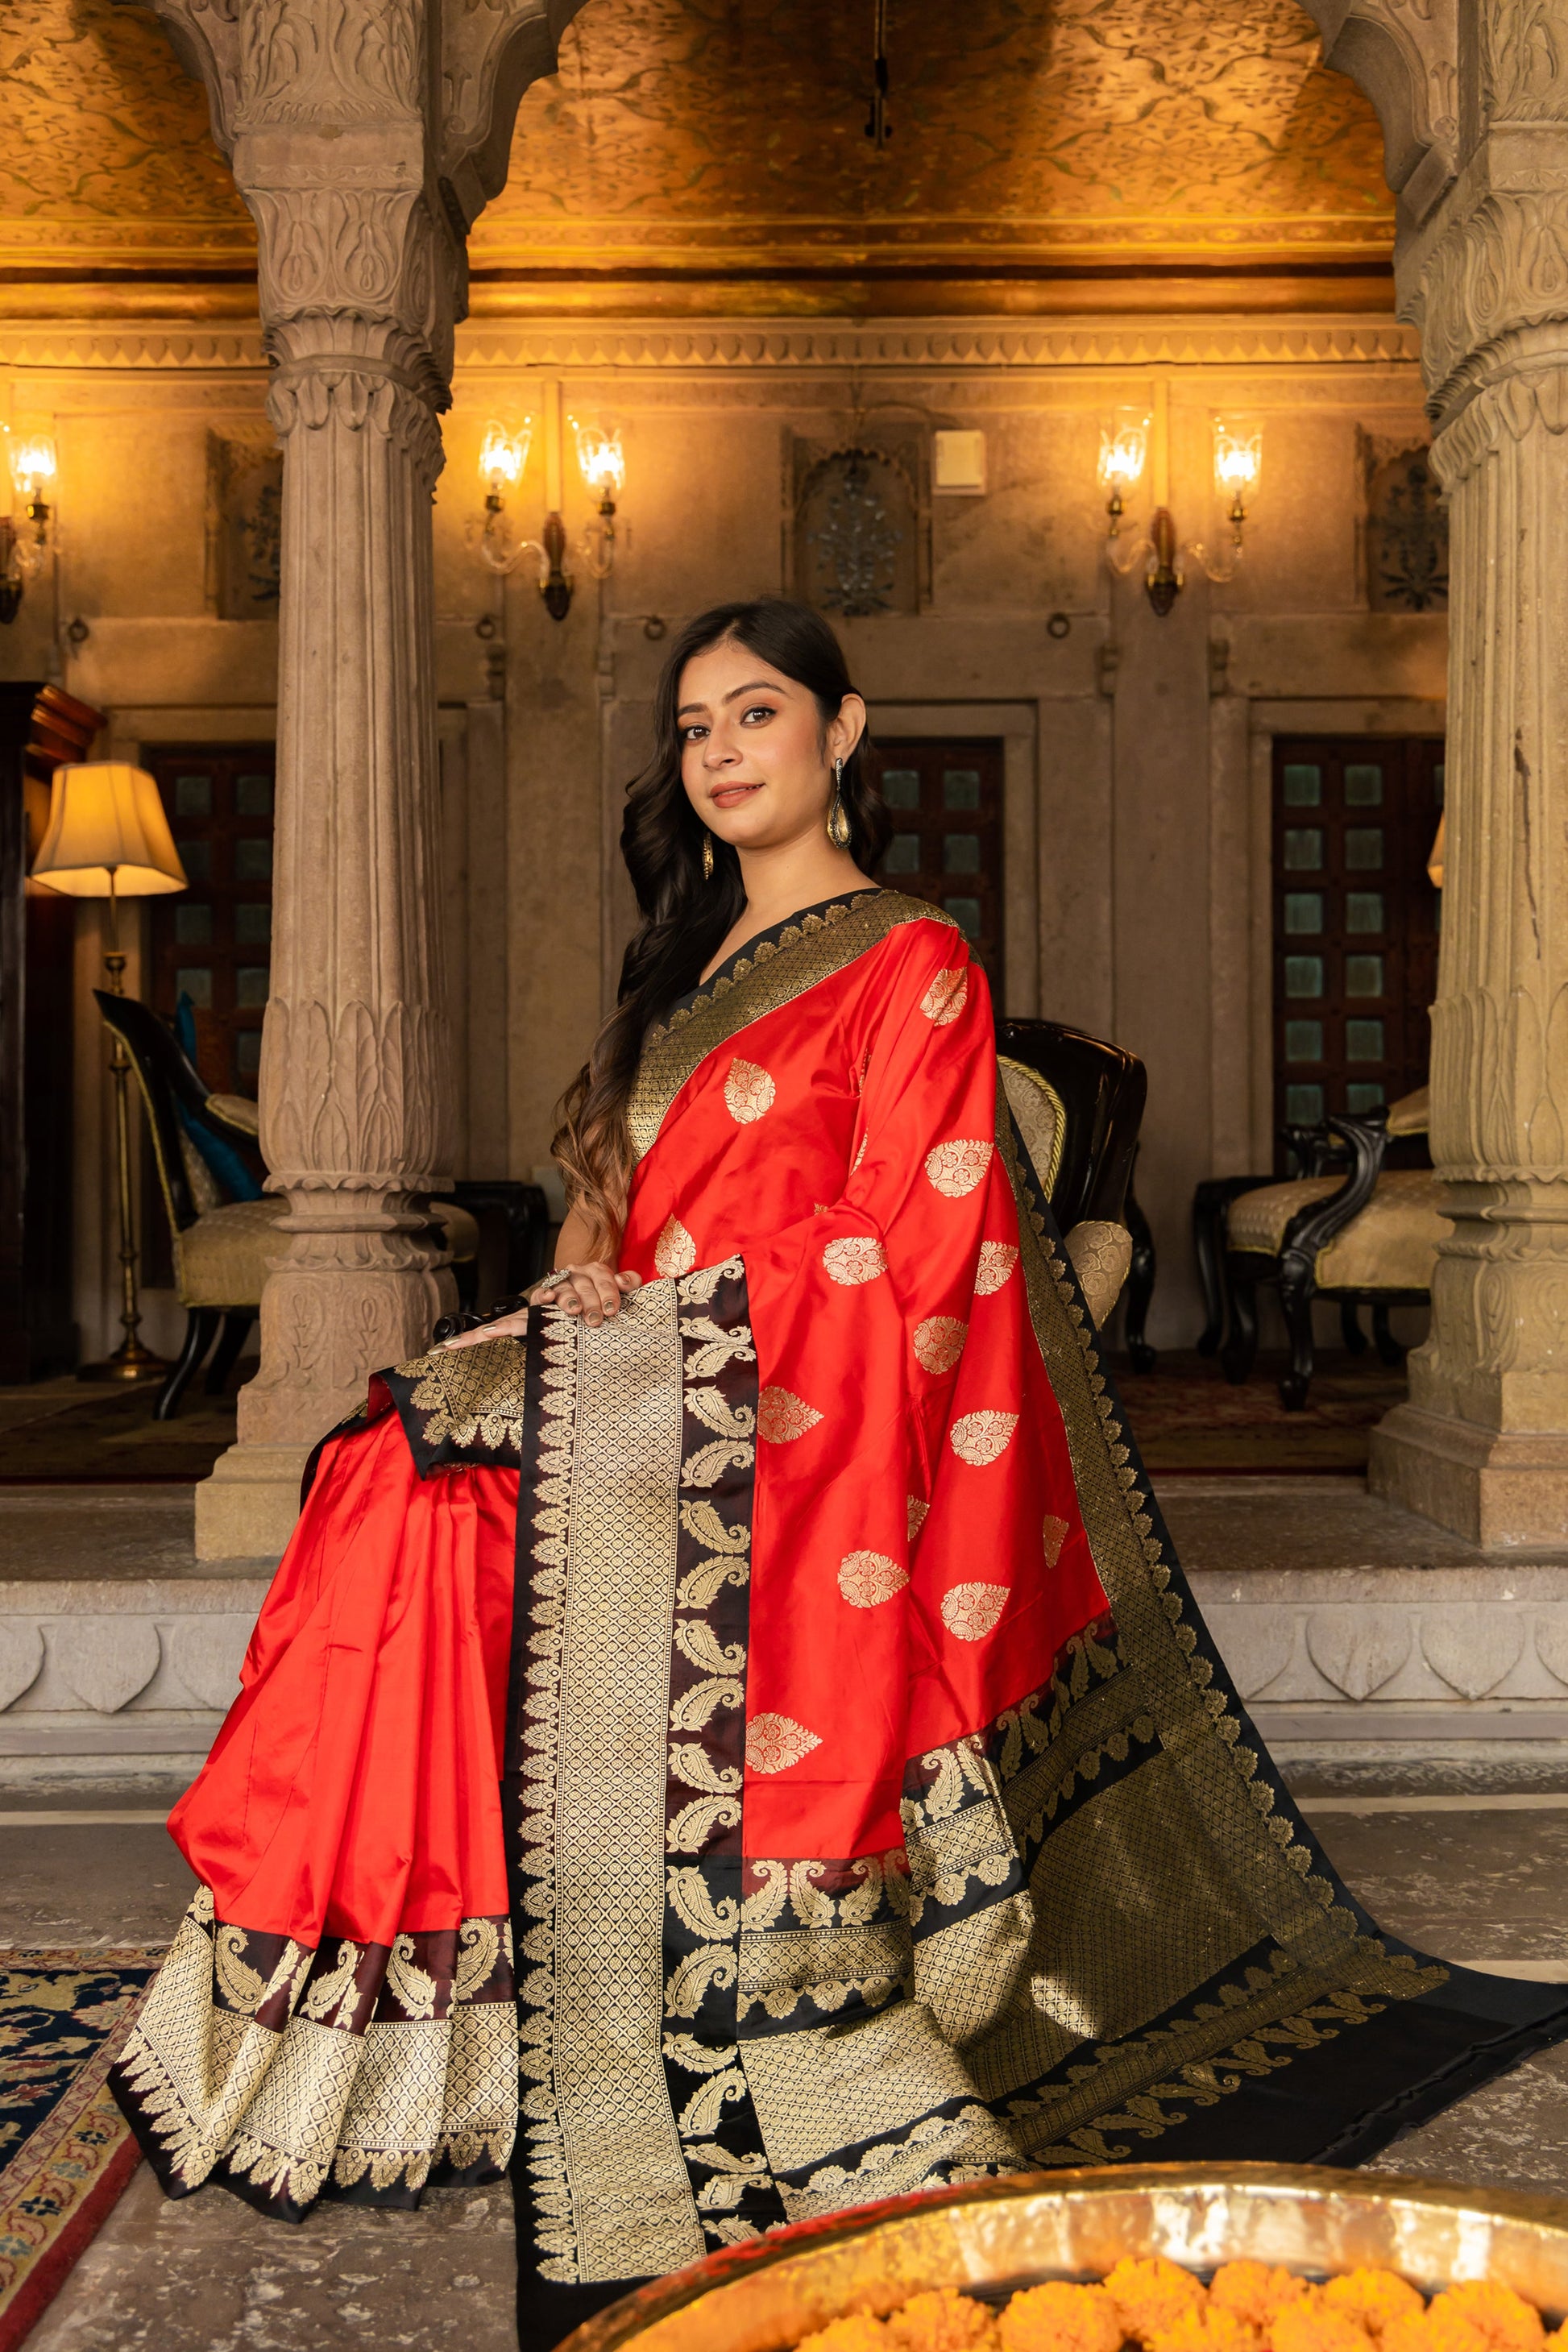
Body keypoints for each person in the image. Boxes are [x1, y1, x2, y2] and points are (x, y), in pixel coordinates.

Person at [112, 599, 1568, 2348]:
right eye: (697, 725)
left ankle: (497, 1999)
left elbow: (908, 1245)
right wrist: (585, 1285)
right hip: (655, 1386)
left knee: (429, 1485)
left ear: (842, 731)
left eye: (757, 713)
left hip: (796, 1429)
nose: (722, 750)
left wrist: (670, 1335)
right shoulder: (683, 979)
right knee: (387, 1460)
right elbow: (611, 1200)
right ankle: (403, 2019)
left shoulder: (911, 958)